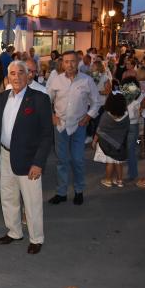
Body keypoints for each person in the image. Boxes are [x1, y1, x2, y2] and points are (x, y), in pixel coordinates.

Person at [0, 60, 53, 255]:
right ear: (8, 76)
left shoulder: (40, 99)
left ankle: (36, 238)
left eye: (20, 73)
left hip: (29, 159)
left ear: (28, 76)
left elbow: (46, 134)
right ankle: (14, 231)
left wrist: (38, 162)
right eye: (12, 73)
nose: (16, 77)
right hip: (5, 155)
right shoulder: (1, 98)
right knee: (8, 196)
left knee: (32, 200)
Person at [48, 51, 100, 205]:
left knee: (78, 160)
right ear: (62, 63)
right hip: (60, 126)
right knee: (62, 161)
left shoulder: (87, 80)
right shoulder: (56, 80)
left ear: (78, 62)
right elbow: (46, 100)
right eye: (66, 61)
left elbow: (96, 102)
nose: (69, 64)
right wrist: (52, 116)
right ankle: (61, 192)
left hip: (79, 125)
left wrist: (89, 116)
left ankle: (79, 191)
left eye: (72, 61)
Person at [93, 93, 130, 188]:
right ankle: (120, 180)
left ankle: (108, 180)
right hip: (120, 143)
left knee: (110, 162)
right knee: (118, 162)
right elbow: (127, 128)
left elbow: (100, 129)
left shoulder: (106, 115)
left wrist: (94, 141)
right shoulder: (126, 115)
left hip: (107, 143)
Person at [121, 77, 142, 181]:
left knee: (127, 149)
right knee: (131, 150)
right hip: (133, 124)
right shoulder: (139, 96)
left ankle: (128, 173)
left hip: (127, 124)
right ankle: (132, 173)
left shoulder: (124, 95)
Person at [85, 60, 112, 144]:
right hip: (89, 103)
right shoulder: (89, 77)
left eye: (93, 66)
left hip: (100, 103)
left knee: (98, 122)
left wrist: (97, 92)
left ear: (98, 67)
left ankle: (96, 139)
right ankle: (89, 136)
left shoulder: (105, 77)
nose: (91, 67)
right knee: (88, 121)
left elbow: (108, 91)